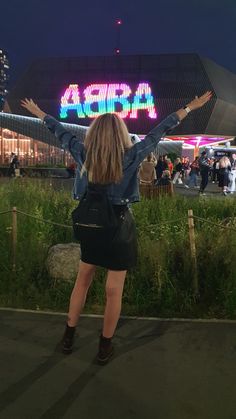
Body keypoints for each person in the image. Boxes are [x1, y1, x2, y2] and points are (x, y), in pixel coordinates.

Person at [21, 91, 212, 365]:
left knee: (82, 281)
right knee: (114, 291)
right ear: (121, 133)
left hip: (90, 226)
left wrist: (39, 113)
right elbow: (159, 131)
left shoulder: (83, 151)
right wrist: (189, 107)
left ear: (95, 133)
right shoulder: (131, 155)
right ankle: (104, 347)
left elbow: (59, 131)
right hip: (119, 228)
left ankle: (67, 338)